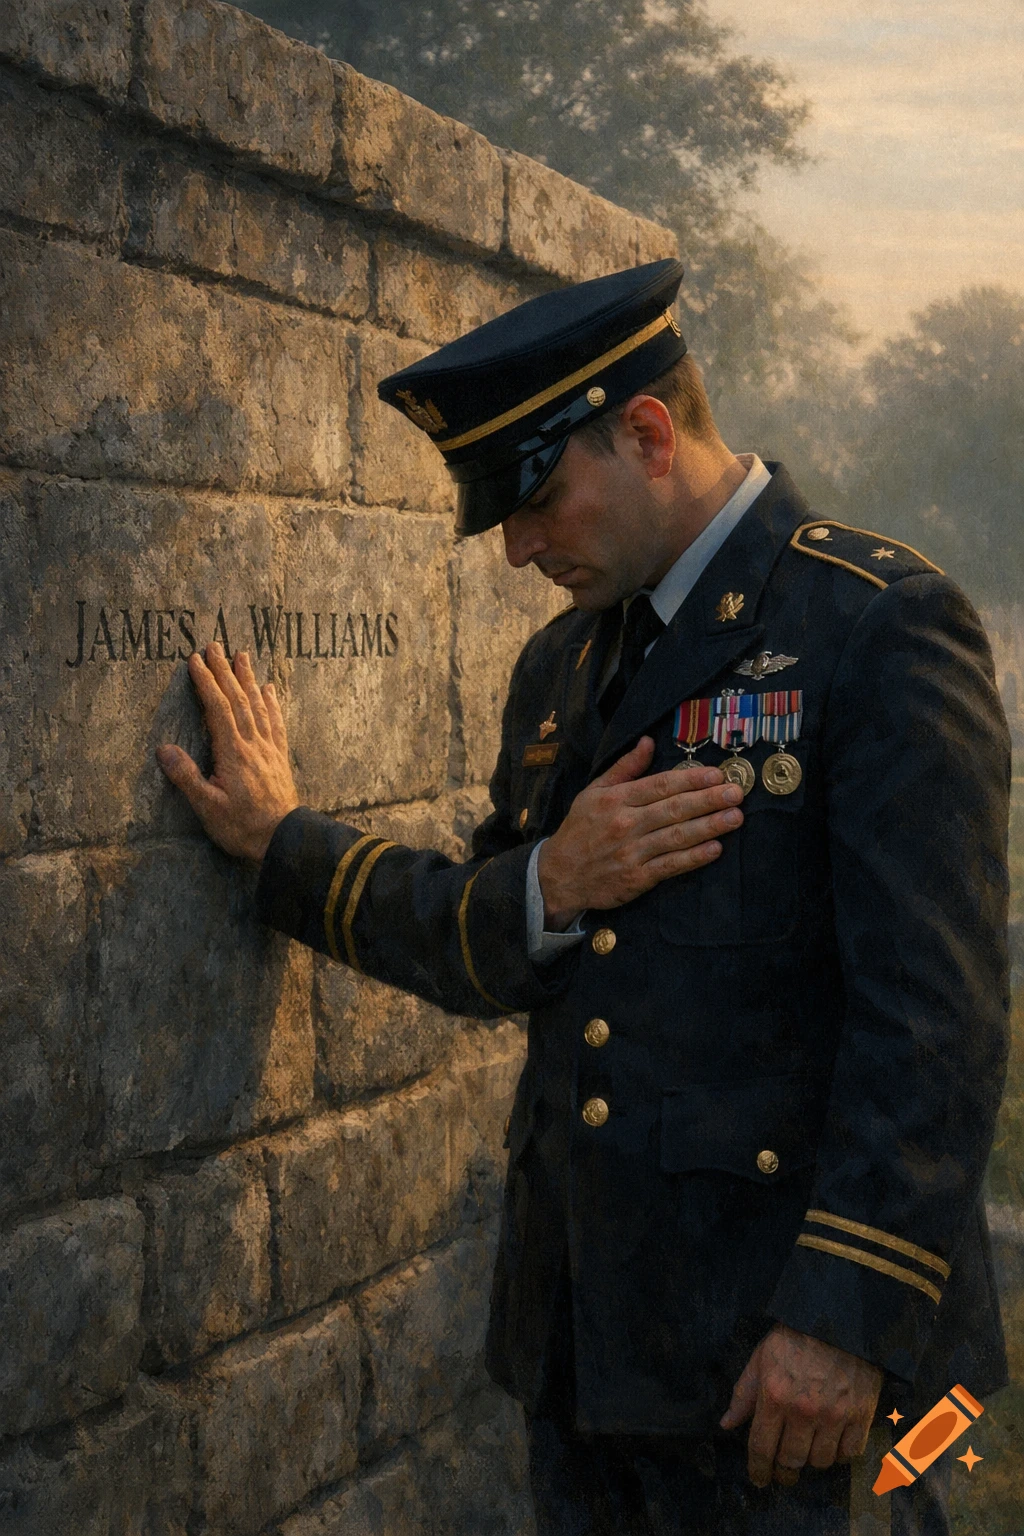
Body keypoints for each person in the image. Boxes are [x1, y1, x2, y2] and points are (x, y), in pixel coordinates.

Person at [157, 260, 1011, 1535]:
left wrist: (842, 1320)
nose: (517, 548)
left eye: (538, 499)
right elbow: (482, 941)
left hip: (779, 1376)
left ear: (650, 435)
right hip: (585, 1352)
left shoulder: (875, 626)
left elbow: (934, 1026)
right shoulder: (564, 664)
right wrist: (288, 844)